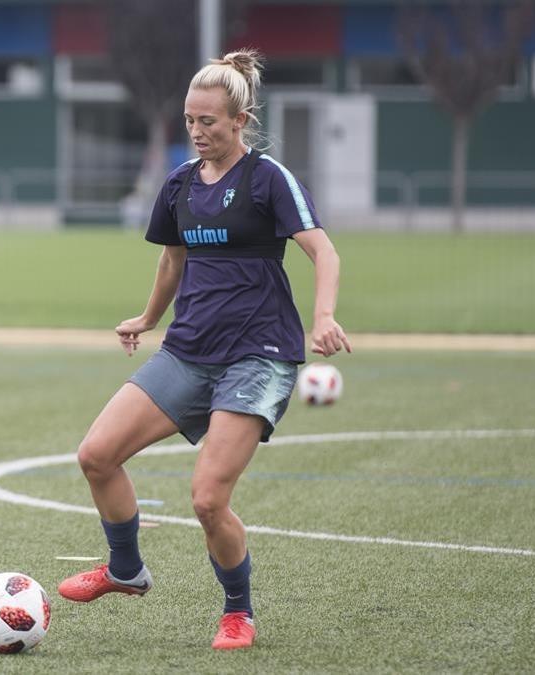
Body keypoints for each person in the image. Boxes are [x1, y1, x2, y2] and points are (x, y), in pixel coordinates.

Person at [56, 50, 351, 650]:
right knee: (96, 455)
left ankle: (238, 611)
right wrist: (147, 317)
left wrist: (323, 317)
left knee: (208, 499)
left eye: (209, 121)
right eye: (190, 120)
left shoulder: (269, 177)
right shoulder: (180, 184)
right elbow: (172, 259)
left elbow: (324, 252)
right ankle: (125, 570)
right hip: (189, 348)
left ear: (240, 119)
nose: (197, 131)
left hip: (259, 353)